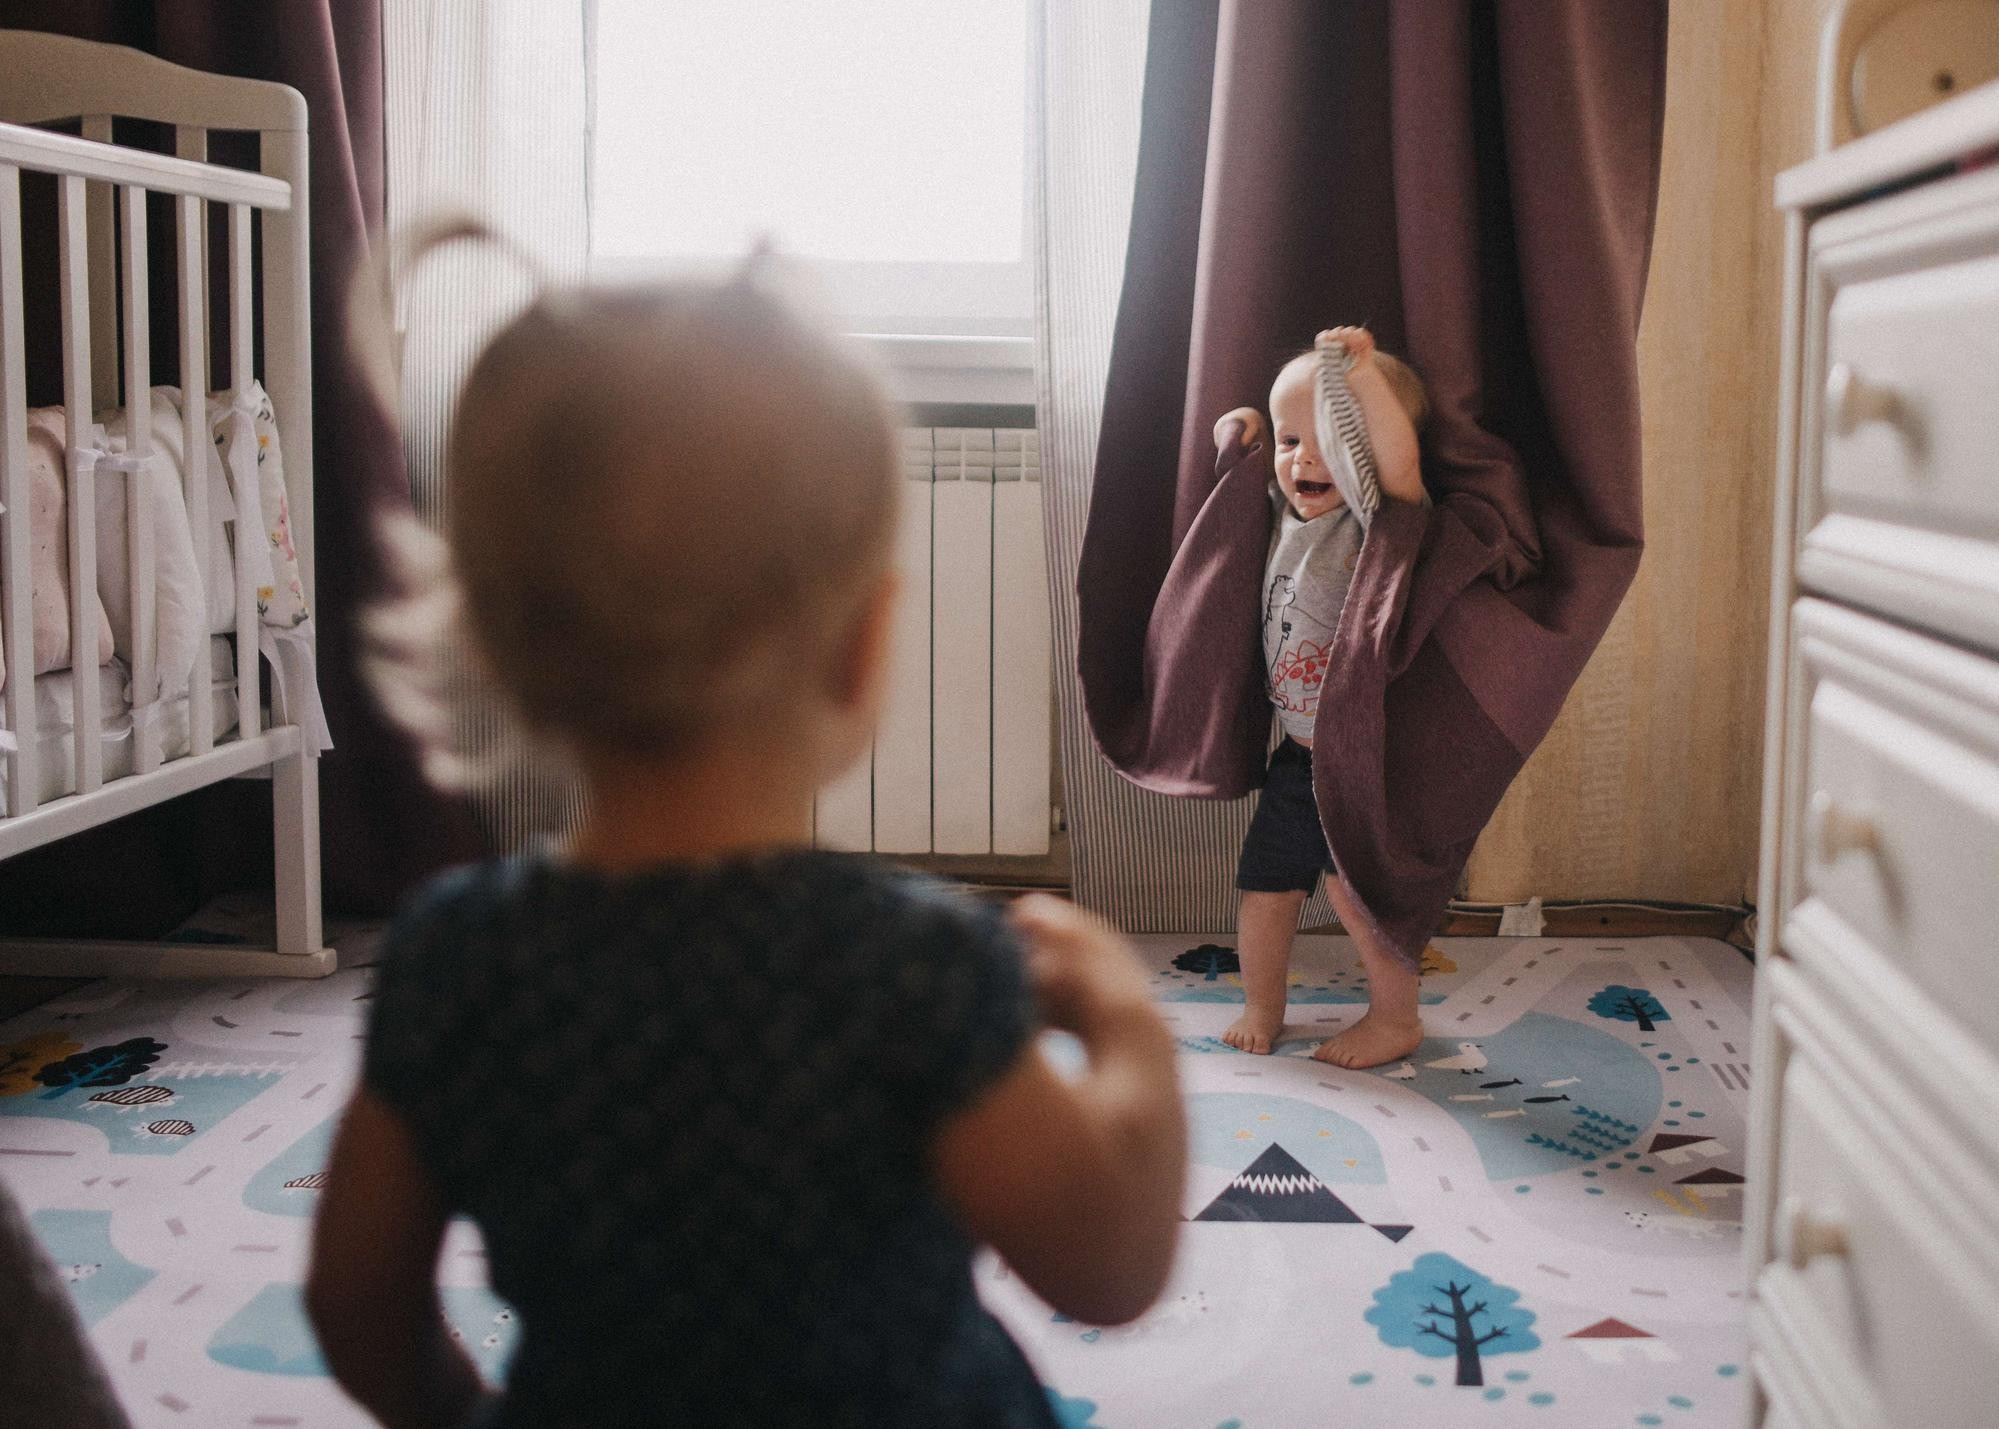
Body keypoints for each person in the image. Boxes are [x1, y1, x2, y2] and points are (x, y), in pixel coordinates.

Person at [304, 254, 1187, 1429]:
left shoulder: (454, 963)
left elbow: (355, 1298)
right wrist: (1129, 1024)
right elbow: (1110, 1267)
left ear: (504, 656)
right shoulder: (912, 969)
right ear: (863, 645)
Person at [1214, 326, 1432, 1069]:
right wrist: (1244, 429)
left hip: (1357, 763)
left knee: (1353, 898)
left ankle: (1395, 1017)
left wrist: (1363, 378)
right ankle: (1261, 1006)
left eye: (1327, 442)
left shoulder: (1370, 521)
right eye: (1289, 440)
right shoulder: (1282, 505)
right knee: (1265, 888)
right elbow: (1243, 460)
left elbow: (1397, 464)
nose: (1302, 458)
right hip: (1294, 757)